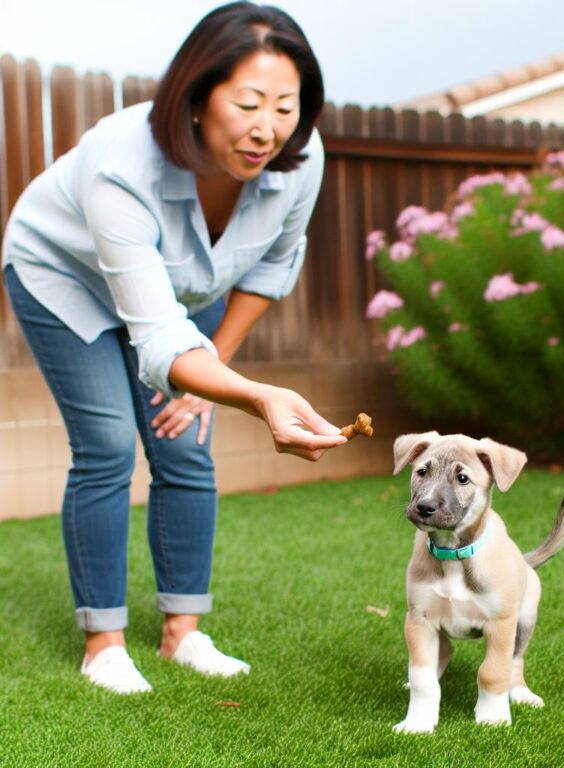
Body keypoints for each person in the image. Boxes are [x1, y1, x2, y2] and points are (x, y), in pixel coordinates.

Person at [1, 2, 346, 694]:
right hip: (64, 278)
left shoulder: (296, 165)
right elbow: (154, 336)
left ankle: (181, 634)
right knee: (106, 444)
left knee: (186, 440)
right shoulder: (122, 162)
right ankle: (104, 643)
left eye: (286, 107)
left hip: (180, 291)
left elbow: (271, 268)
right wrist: (254, 393)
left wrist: (210, 369)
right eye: (248, 103)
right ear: (196, 97)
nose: (267, 129)